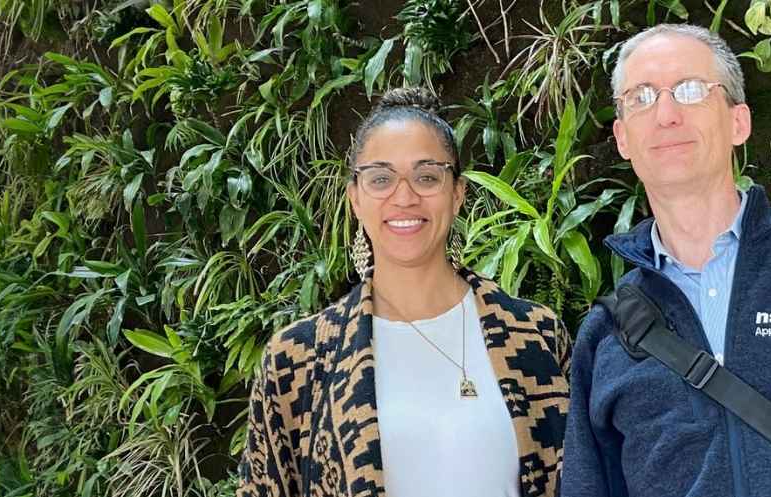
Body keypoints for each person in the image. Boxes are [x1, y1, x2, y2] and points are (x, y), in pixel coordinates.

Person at [562, 24, 771, 497]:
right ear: (622, 139)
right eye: (641, 97)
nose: (666, 114)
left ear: (740, 122)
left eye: (690, 90)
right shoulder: (609, 335)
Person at [237, 87, 570, 497]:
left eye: (427, 176)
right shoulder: (298, 359)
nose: (405, 197)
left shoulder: (535, 334)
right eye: (381, 179)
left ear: (457, 193)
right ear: (355, 199)